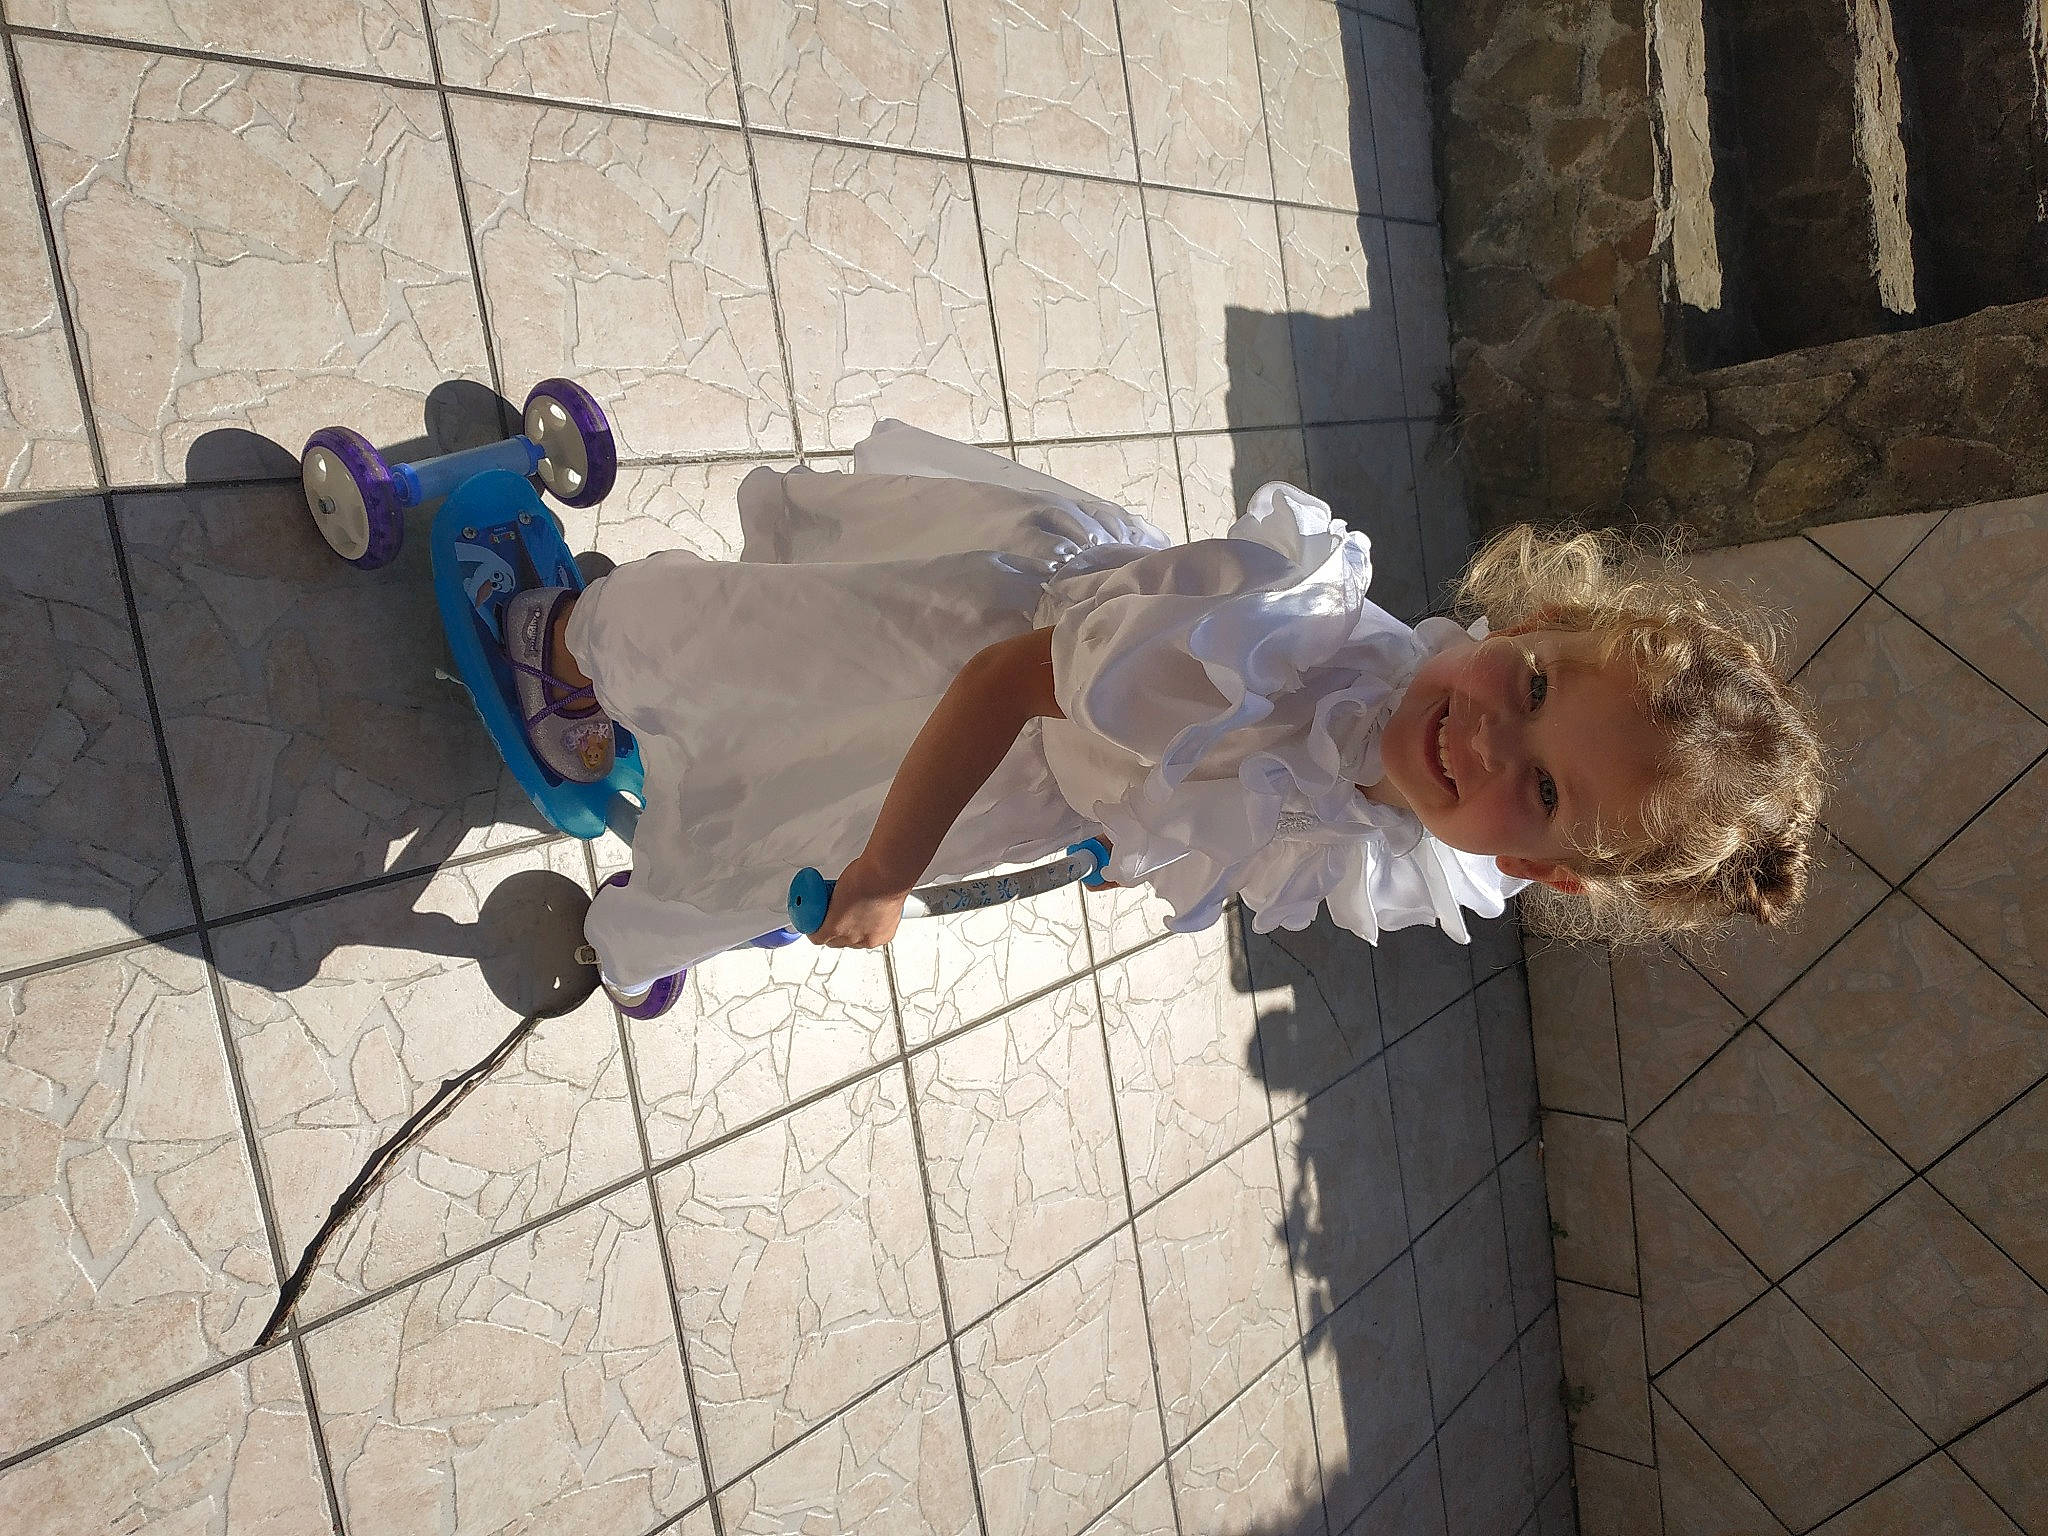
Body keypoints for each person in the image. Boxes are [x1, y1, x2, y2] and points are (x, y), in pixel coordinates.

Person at [503, 421, 1824, 1015]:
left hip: (1053, 772)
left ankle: (684, 824)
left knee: (819, 787)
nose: (1483, 744)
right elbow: (1001, 685)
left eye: (1536, 790)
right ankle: (565, 637)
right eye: (1528, 695)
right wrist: (896, 872)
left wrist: (1125, 842)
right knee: (778, 660)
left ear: (1526, 865)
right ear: (1530, 634)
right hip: (995, 652)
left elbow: (1245, 821)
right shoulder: (1276, 633)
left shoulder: (1410, 844)